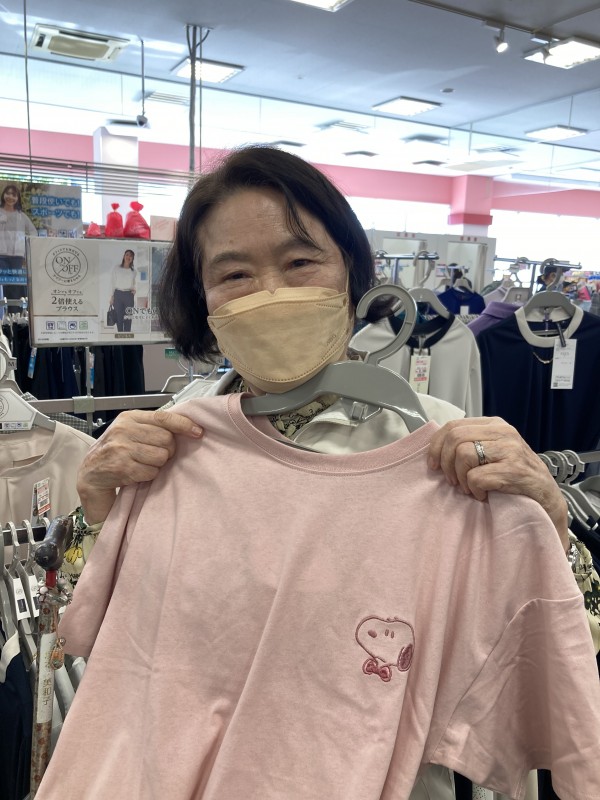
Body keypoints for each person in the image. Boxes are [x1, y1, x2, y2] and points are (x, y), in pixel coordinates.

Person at [51, 146, 593, 800]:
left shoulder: (445, 450)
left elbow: (566, 646)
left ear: (351, 274)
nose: (271, 292)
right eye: (234, 274)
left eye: (300, 262)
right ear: (203, 298)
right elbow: (79, 636)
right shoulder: (166, 442)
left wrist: (549, 523)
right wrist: (96, 508)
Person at [0, 183, 38, 301]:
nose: (10, 197)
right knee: (2, 283)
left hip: (17, 255)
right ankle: (2, 310)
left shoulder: (21, 216)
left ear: (18, 198)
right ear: (3, 195)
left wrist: (24, 242)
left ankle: (15, 311)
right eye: (8, 193)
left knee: (14, 285)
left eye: (14, 195)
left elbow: (33, 231)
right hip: (1, 255)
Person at [109, 248, 136, 332]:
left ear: (132, 259)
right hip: (118, 294)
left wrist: (134, 290)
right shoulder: (116, 268)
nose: (128, 257)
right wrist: (112, 296)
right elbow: (112, 282)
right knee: (119, 316)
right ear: (124, 256)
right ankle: (120, 334)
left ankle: (127, 333)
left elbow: (134, 283)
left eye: (131, 256)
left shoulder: (133, 271)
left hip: (128, 295)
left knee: (128, 316)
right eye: (127, 255)